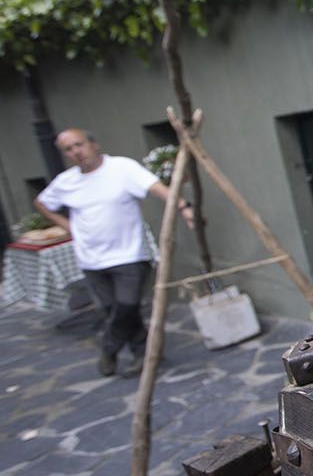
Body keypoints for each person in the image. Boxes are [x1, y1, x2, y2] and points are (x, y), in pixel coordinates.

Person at [33, 128, 194, 377]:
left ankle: (109, 348)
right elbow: (42, 203)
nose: (76, 152)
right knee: (112, 309)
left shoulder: (121, 168)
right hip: (91, 259)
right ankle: (142, 353)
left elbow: (154, 187)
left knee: (127, 305)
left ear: (94, 144)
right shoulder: (66, 182)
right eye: (68, 149)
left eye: (79, 144)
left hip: (128, 254)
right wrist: (67, 226)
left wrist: (183, 206)